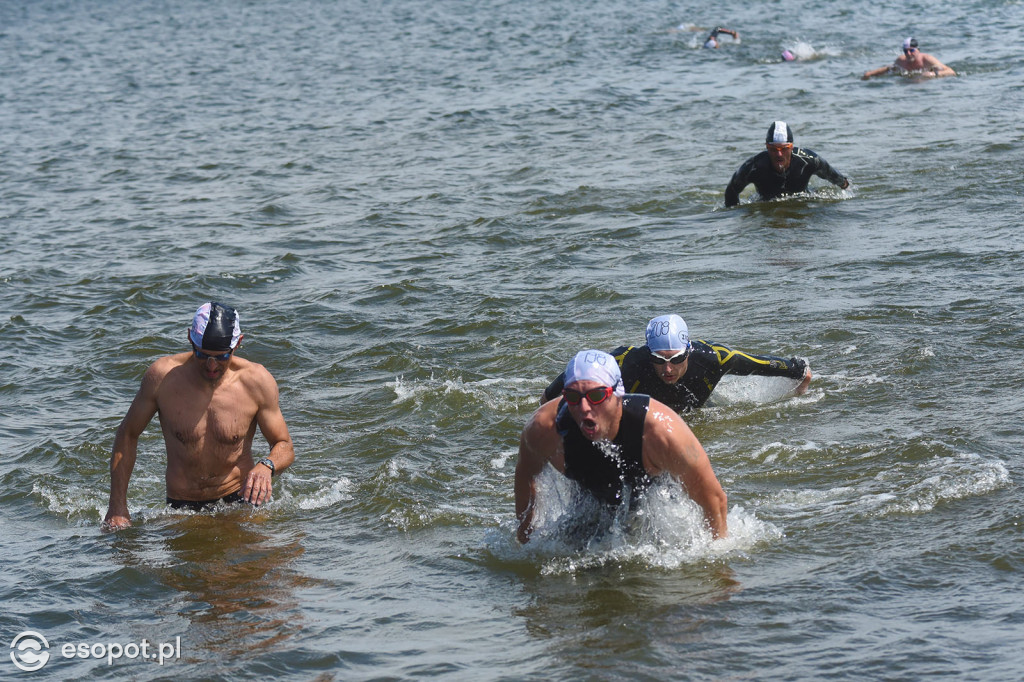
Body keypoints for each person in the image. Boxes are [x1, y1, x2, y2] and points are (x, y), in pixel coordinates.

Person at [102, 302, 295, 530]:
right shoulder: (162, 379)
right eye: (201, 355)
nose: (211, 366)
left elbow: (284, 445)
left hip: (240, 503)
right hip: (181, 507)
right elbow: (128, 434)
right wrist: (117, 507)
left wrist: (267, 465)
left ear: (238, 343)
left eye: (221, 357)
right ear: (189, 339)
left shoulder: (257, 382)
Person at [516, 350, 728, 543]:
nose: (584, 408)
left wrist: (718, 566)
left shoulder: (661, 432)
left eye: (597, 396)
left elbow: (713, 500)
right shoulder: (544, 429)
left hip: (653, 495)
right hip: (587, 498)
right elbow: (526, 476)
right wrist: (526, 540)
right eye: (572, 396)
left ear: (618, 394)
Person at [542, 314, 811, 414]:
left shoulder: (711, 358)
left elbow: (764, 363)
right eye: (659, 361)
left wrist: (800, 377)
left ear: (688, 352)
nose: (667, 369)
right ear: (649, 354)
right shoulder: (627, 362)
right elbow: (567, 380)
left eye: (676, 360)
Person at [724, 121, 850, 207]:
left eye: (784, 149)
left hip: (803, 196)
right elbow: (731, 191)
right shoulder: (754, 167)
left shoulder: (808, 160)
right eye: (773, 149)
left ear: (791, 147)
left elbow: (832, 175)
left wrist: (844, 185)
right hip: (765, 200)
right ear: (767, 148)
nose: (779, 154)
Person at [861, 37, 955, 80]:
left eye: (911, 50)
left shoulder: (927, 59)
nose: (908, 54)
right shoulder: (901, 61)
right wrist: (870, 74)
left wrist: (933, 74)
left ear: (918, 50)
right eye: (906, 51)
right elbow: (888, 69)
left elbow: (951, 72)